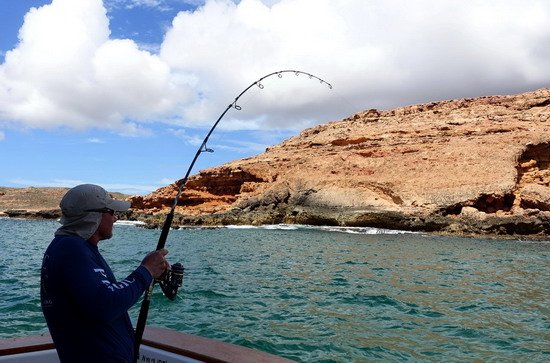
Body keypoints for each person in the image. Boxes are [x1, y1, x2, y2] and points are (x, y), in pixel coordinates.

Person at [40, 184, 170, 362]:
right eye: (111, 212)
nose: (116, 218)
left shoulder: (72, 248)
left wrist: (150, 272)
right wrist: (145, 271)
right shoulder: (72, 249)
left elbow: (100, 296)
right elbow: (105, 304)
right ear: (94, 215)